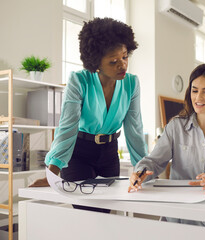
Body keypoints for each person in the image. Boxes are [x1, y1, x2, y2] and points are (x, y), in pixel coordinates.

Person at [30, 18, 147, 203]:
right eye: (113, 61)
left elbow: (135, 129)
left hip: (109, 153)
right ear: (96, 63)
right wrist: (52, 174)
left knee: (106, 210)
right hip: (78, 154)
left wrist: (142, 168)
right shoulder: (79, 81)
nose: (123, 65)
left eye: (125, 57)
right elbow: (67, 127)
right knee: (86, 211)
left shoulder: (131, 84)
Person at [128, 64, 205, 229]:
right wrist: (140, 172)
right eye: (194, 90)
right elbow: (154, 161)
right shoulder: (175, 126)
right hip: (179, 216)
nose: (198, 97)